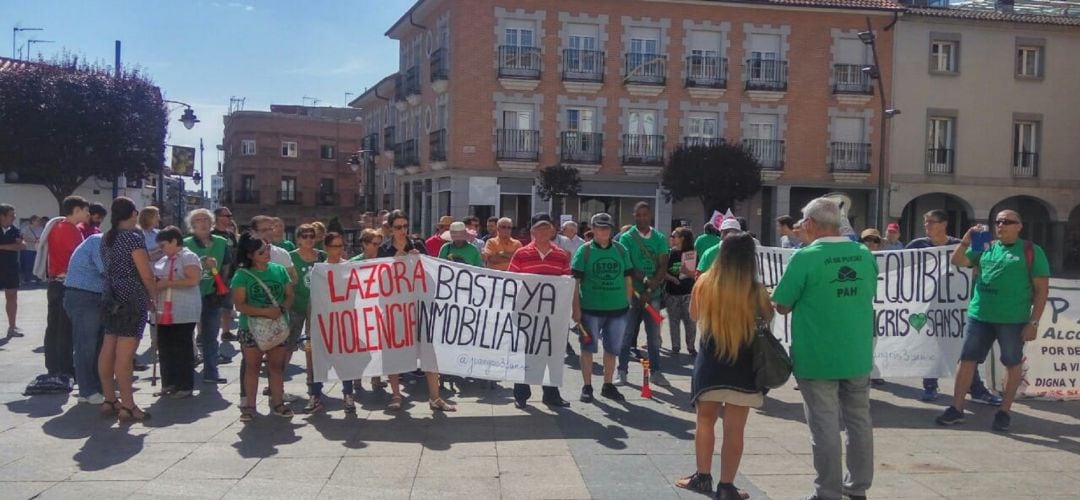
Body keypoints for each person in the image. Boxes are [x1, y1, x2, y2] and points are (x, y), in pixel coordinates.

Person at [771, 198, 877, 500]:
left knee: (824, 428)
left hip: (818, 356)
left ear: (812, 223)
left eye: (804, 220)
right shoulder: (863, 253)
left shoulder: (806, 257)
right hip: (856, 353)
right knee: (859, 423)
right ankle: (858, 488)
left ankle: (827, 492)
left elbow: (782, 306)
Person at [677, 232, 770, 500]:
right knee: (735, 429)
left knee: (705, 421)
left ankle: (702, 476)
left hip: (711, 363)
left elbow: (694, 315)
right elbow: (768, 317)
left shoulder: (705, 281)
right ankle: (727, 486)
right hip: (744, 364)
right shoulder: (756, 288)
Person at [937, 210, 1049, 432]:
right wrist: (967, 240)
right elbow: (958, 261)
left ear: (1019, 226)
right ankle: (956, 409)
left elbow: (1042, 290)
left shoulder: (1030, 251)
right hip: (980, 316)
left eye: (1007, 222)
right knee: (966, 360)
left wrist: (1033, 323)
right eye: (998, 222)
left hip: (1013, 319)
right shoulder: (986, 246)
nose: (1001, 225)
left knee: (1011, 362)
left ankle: (1004, 412)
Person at [906, 209, 1000, 404]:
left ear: (944, 224)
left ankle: (976, 388)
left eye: (932, 222)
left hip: (958, 306)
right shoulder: (917, 245)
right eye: (925, 222)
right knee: (931, 345)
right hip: (929, 305)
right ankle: (930, 387)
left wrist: (981, 235)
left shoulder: (958, 245)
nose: (927, 226)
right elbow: (900, 268)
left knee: (964, 350)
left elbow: (986, 257)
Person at [377, 210, 456, 412]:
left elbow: (430, 273)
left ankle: (435, 397)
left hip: (419, 307)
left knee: (429, 352)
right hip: (395, 309)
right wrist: (394, 261)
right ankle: (396, 395)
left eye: (405, 226)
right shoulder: (384, 250)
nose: (403, 231)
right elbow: (378, 280)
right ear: (390, 229)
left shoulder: (418, 245)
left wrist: (418, 258)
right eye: (398, 227)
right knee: (393, 352)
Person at [99, 197, 157, 422]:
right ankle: (128, 405)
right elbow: (145, 273)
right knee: (125, 353)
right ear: (132, 214)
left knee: (108, 345)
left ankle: (109, 398)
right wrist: (153, 298)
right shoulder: (133, 238)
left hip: (109, 293)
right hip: (131, 295)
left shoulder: (107, 237)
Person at [508, 213, 573, 409]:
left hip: (553, 315)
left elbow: (567, 285)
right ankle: (521, 394)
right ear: (532, 232)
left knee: (551, 353)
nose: (543, 231)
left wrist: (573, 310)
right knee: (525, 353)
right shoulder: (521, 254)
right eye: (539, 228)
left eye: (547, 228)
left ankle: (551, 394)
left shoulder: (561, 255)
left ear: (553, 231)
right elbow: (511, 281)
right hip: (527, 314)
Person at [232, 232, 295, 422]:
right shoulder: (242, 275)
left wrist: (282, 308)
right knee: (252, 367)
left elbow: (289, 294)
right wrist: (265, 312)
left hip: (277, 326)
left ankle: (278, 402)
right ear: (250, 255)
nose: (266, 253)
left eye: (267, 249)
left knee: (276, 367)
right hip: (251, 327)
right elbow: (240, 305)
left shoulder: (279, 270)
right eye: (261, 252)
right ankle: (250, 406)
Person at [572, 212, 632, 403]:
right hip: (590, 309)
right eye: (599, 227)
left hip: (618, 310)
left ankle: (608, 384)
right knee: (587, 348)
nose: (603, 230)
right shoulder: (585, 251)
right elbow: (575, 282)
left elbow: (628, 277)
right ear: (593, 228)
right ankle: (587, 386)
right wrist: (576, 308)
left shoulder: (621, 250)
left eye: (606, 227)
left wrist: (628, 302)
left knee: (612, 349)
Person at [306, 231, 365, 413]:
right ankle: (315, 396)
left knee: (345, 359)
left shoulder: (349, 268)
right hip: (324, 321)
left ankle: (348, 395)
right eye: (334, 246)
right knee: (319, 359)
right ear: (326, 247)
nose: (338, 250)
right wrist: (309, 326)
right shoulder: (318, 271)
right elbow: (313, 299)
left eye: (341, 246)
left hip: (345, 321)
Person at [617, 202, 669, 386]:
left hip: (652, 295)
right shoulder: (626, 238)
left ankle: (656, 372)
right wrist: (645, 281)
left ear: (650, 215)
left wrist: (650, 288)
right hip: (632, 293)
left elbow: (663, 265)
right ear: (634, 216)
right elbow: (627, 265)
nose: (641, 218)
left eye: (645, 214)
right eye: (638, 215)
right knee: (626, 335)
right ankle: (621, 372)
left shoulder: (660, 238)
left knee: (653, 337)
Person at [152, 226, 202, 399]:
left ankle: (185, 385)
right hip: (163, 309)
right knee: (165, 346)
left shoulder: (188, 257)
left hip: (183, 309)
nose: (162, 249)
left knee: (182, 347)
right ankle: (169, 382)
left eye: (164, 245)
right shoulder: (162, 260)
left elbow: (193, 279)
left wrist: (167, 283)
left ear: (175, 241)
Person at [44, 196, 89, 384]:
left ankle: (54, 366)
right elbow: (78, 258)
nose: (88, 214)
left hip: (55, 282)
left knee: (54, 327)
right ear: (76, 210)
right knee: (64, 329)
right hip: (65, 283)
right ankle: (64, 368)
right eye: (85, 210)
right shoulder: (70, 230)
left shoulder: (56, 227)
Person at [184, 209, 231, 384]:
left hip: (212, 293)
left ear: (211, 223)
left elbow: (226, 264)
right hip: (190, 294)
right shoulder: (186, 243)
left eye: (206, 219)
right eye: (198, 220)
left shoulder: (221, 242)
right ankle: (187, 369)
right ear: (192, 225)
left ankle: (211, 372)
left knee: (211, 334)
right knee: (187, 333)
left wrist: (222, 285)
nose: (202, 223)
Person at [289, 224, 328, 413]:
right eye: (304, 235)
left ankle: (313, 385)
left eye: (311, 235)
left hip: (317, 308)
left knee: (313, 349)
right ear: (297, 239)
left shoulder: (322, 256)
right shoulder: (291, 257)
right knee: (287, 346)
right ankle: (276, 386)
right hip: (296, 307)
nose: (308, 238)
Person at [63, 233, 106, 404]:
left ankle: (92, 388)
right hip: (84, 296)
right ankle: (87, 390)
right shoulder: (98, 241)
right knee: (86, 346)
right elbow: (106, 270)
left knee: (97, 346)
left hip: (95, 296)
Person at [346, 228, 389, 393]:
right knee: (360, 346)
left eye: (379, 244)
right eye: (374, 244)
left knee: (378, 345)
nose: (377, 247)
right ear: (364, 244)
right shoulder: (354, 263)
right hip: (360, 310)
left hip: (378, 309)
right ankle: (357, 378)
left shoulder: (383, 261)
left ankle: (376, 377)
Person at [665, 226, 697, 358]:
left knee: (690, 322)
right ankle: (675, 347)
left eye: (675, 236)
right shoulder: (671, 253)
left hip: (688, 293)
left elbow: (698, 274)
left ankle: (691, 347)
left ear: (682, 238)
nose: (672, 238)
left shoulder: (693, 254)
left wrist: (687, 272)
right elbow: (663, 271)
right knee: (674, 321)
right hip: (672, 292)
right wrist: (672, 278)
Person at [212, 207, 238, 342]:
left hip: (230, 275)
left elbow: (235, 252)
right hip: (213, 275)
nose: (229, 218)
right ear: (218, 218)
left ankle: (226, 331)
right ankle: (202, 334)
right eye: (227, 216)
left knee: (227, 305)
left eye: (230, 215)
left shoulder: (230, 235)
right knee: (211, 306)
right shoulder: (211, 234)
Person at [0, 204, 24, 338]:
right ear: (2, 216)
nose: (14, 217)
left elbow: (22, 246)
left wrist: (2, 246)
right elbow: (16, 246)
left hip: (11, 268)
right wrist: (11, 246)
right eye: (11, 215)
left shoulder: (15, 230)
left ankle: (12, 327)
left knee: (12, 296)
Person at [19, 214, 42, 285]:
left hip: (37, 249)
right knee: (28, 264)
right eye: (37, 221)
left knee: (38, 264)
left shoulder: (41, 228)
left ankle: (38, 278)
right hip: (28, 249)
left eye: (39, 221)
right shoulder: (26, 228)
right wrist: (34, 240)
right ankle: (27, 279)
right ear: (32, 221)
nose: (39, 222)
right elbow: (24, 237)